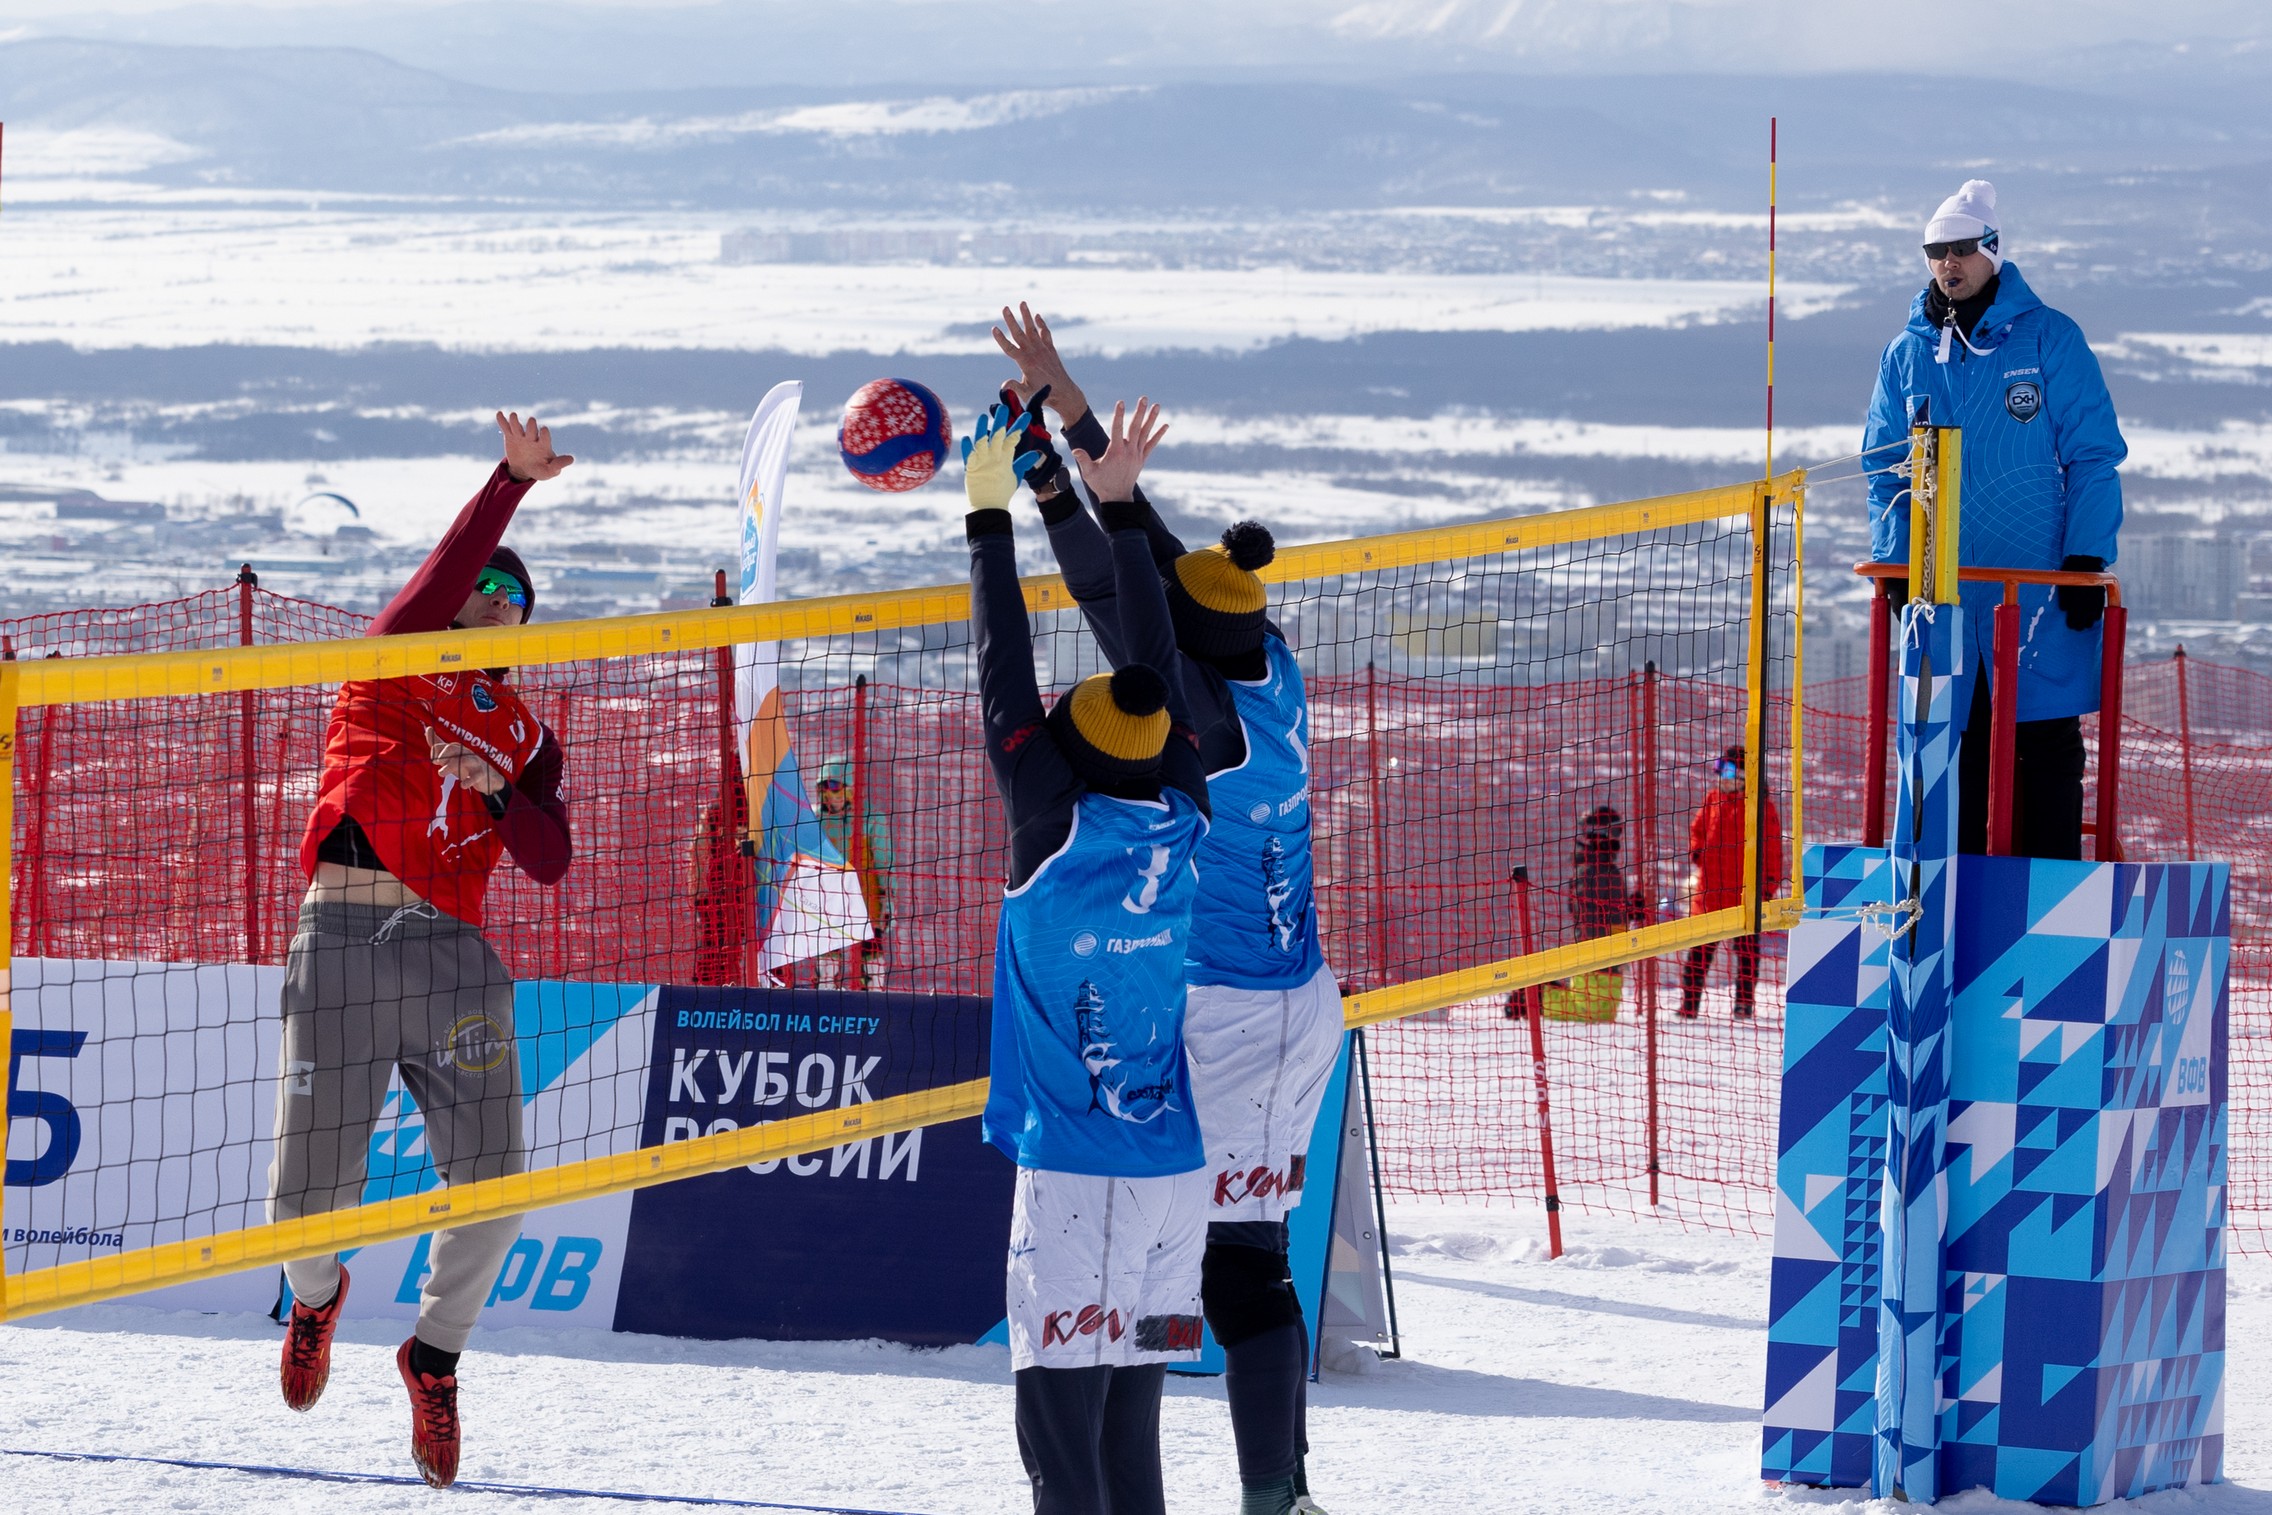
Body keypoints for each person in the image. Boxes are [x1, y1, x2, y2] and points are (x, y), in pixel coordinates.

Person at [998, 302, 1339, 1515]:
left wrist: (1041, 482)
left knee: (1237, 1271)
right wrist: (1070, 419)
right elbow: (1161, 564)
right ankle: (1271, 1485)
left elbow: (1120, 584)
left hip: (1246, 1020)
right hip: (1290, 1000)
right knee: (1235, 1263)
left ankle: (1273, 1497)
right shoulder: (1263, 650)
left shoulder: (1202, 727)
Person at [270, 412, 574, 1488]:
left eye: (512, 597)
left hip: (452, 955)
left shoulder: (525, 731)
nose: (493, 601)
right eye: (481, 587)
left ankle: (432, 1357)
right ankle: (315, 1301)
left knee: (496, 1186)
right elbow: (440, 574)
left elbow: (550, 860)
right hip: (347, 934)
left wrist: (497, 792)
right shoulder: (392, 659)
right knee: (304, 1205)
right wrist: (508, 485)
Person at [965, 395, 1211, 1515]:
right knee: (1130, 1436)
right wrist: (1103, 508)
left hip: (1072, 1180)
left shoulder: (1048, 827)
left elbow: (1012, 654)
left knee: (1062, 1447)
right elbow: (1146, 666)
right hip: (1170, 1182)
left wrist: (989, 511)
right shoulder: (1184, 814)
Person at [1863, 179, 2128, 859]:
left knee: (2040, 753)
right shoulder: (1909, 353)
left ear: (1993, 251)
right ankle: (1956, 932)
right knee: (1954, 759)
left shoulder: (2048, 340)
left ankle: (2046, 927)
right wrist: (1895, 563)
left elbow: (2094, 454)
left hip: (2036, 595)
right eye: (1934, 251)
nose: (1948, 263)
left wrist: (2084, 561)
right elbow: (1883, 466)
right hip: (1943, 600)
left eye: (1961, 249)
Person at [1679, 746, 1783, 1021]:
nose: (1721, 777)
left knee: (1747, 954)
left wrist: (1768, 886)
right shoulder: (1712, 798)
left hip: (1745, 895)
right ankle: (1689, 1005)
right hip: (1709, 894)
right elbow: (1697, 829)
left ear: (1745, 776)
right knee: (1699, 955)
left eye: (1727, 771)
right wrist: (1697, 851)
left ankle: (1743, 1004)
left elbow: (1772, 848)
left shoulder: (1759, 805)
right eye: (1719, 771)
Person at [812, 755, 894, 989]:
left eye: (835, 786)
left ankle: (873, 1002)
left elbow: (885, 863)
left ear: (848, 788)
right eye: (825, 787)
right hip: (827, 900)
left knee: (871, 958)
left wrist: (889, 903)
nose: (830, 793)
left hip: (865, 898)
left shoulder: (870, 817)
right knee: (826, 962)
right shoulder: (814, 818)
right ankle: (824, 1000)